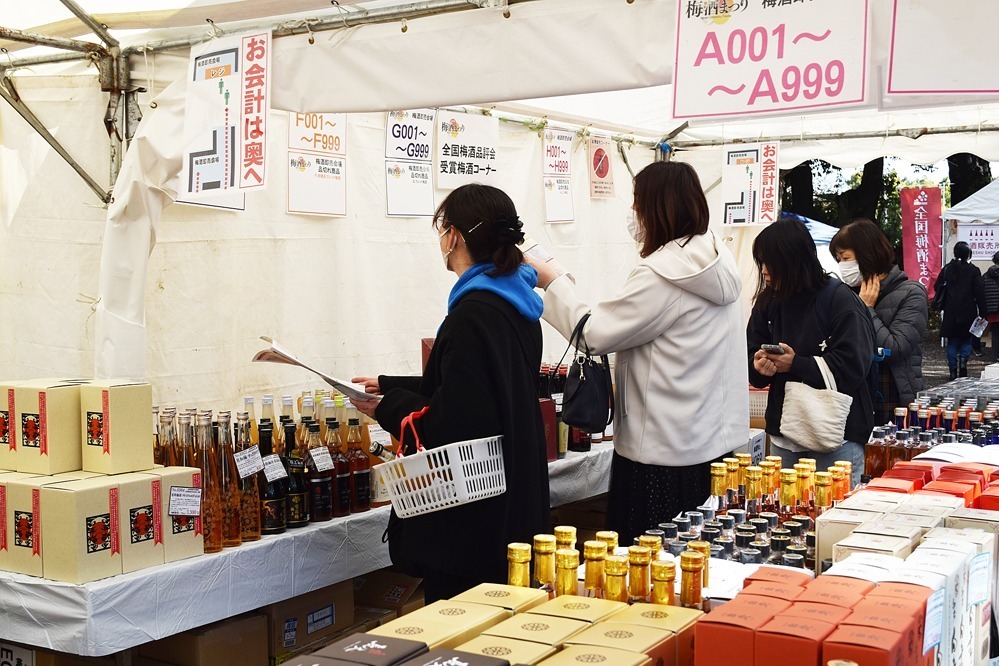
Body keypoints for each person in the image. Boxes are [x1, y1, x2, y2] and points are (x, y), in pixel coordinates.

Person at [527, 161, 748, 545]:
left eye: (636, 203)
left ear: (657, 208)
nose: (633, 214)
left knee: (647, 567)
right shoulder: (716, 259)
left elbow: (593, 334)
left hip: (660, 457)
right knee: (698, 561)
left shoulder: (663, 274)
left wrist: (553, 281)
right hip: (712, 444)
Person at [352, 184, 550, 602]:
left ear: (455, 236)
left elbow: (455, 419)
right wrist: (390, 386)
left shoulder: (471, 314)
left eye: (441, 229)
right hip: (515, 499)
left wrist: (388, 409)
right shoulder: (518, 307)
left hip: (473, 524)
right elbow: (479, 386)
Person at [747, 218, 875, 486]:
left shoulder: (838, 299)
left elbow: (854, 366)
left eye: (769, 262)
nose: (764, 271)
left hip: (836, 436)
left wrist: (796, 364)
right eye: (761, 262)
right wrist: (759, 367)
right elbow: (751, 356)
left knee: (836, 518)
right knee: (786, 518)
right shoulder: (767, 301)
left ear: (791, 261)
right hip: (784, 435)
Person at [828, 219, 928, 424]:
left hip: (893, 399)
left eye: (845, 257)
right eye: (838, 259)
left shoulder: (911, 293)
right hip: (853, 397)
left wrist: (867, 309)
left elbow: (895, 348)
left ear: (867, 254)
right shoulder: (845, 293)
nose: (842, 265)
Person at [933, 241, 986, 379]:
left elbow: (937, 287)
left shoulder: (947, 269)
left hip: (950, 311)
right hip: (968, 311)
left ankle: (952, 371)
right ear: (968, 254)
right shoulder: (973, 270)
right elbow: (979, 293)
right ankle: (963, 365)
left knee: (952, 342)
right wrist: (983, 312)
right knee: (966, 340)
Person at [982, 250, 999, 361]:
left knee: (996, 334)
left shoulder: (986, 275)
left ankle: (995, 356)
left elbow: (981, 291)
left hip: (992, 310)